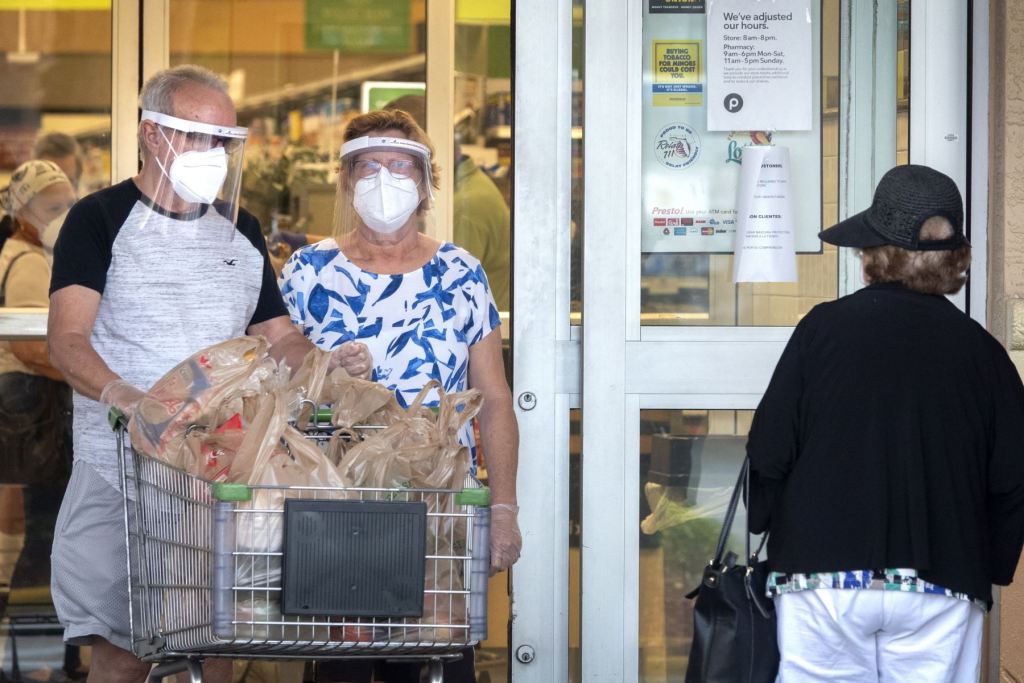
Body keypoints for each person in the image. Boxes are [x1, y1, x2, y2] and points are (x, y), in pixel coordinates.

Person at [46, 64, 371, 683]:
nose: (214, 153)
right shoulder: (99, 220)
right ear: (151, 133)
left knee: (215, 646)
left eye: (224, 140)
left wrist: (328, 364)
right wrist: (127, 396)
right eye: (197, 135)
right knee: (119, 654)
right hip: (119, 471)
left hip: (217, 475)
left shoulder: (241, 231)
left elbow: (278, 337)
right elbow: (66, 338)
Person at [746, 164, 1024, 682]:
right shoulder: (984, 355)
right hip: (943, 582)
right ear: (956, 259)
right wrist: (987, 565)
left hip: (822, 576)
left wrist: (769, 524)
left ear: (873, 255)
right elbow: (1013, 479)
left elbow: (768, 451)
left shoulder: (822, 331)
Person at [279, 109, 521, 683]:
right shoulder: (308, 273)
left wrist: (504, 508)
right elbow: (277, 388)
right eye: (367, 167)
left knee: (438, 661)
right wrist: (322, 369)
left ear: (426, 182)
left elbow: (494, 396)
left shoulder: (461, 273)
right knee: (343, 667)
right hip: (335, 509)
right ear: (344, 181)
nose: (383, 180)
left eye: (399, 166)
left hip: (438, 505)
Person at [0, 161, 79, 679]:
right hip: (32, 406)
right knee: (45, 532)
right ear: (22, 210)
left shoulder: (31, 252)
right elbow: (29, 344)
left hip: (30, 405)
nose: (62, 216)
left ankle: (42, 657)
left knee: (45, 529)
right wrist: (86, 373)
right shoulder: (27, 261)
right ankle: (36, 664)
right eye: (52, 207)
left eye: (67, 204)